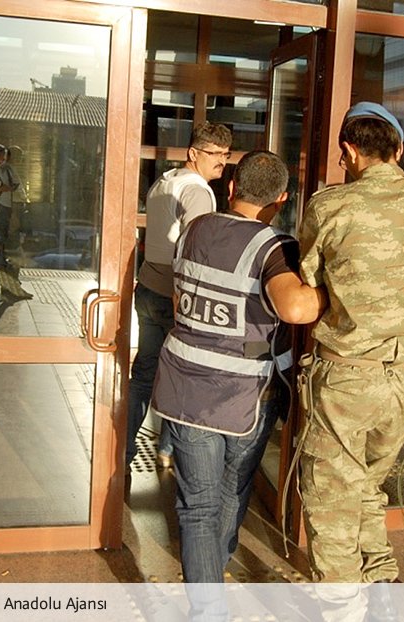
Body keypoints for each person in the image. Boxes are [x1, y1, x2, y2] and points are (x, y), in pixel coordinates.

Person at [297, 101, 404, 583]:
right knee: (369, 480)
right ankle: (379, 573)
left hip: (347, 377)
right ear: (400, 149)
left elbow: (310, 278)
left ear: (349, 152)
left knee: (331, 494)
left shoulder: (329, 205)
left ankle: (339, 607)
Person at [148, 150, 326, 589]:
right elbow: (297, 308)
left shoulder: (194, 230)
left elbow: (180, 298)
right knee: (230, 493)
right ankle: (215, 570)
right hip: (246, 398)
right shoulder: (274, 247)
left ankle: (206, 598)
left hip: (187, 390)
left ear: (230, 189)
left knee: (197, 506)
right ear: (282, 199)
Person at [126, 122, 232, 469]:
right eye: (214, 153)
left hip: (148, 287)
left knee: (144, 374)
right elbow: (200, 250)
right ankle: (171, 451)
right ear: (193, 153)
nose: (222, 161)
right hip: (175, 296)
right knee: (183, 377)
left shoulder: (165, 181)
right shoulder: (198, 190)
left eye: (226, 154)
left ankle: (124, 452)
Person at [0, 146, 29, 249]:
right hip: (13, 202)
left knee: (16, 225)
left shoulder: (11, 169)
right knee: (13, 225)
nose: (20, 159)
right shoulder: (5, 169)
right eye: (18, 156)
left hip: (17, 202)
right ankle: (7, 248)